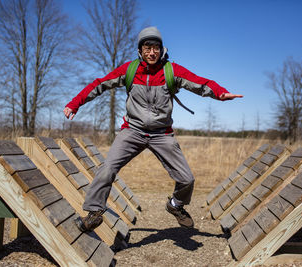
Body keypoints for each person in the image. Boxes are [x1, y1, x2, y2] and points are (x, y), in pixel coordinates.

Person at [63, 26, 243, 232]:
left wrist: (220, 93)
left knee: (187, 179)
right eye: (147, 47)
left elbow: (200, 83)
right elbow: (100, 84)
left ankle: (175, 205)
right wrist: (75, 103)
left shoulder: (171, 71)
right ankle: (94, 213)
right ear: (140, 50)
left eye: (155, 47)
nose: (151, 52)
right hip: (133, 130)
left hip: (162, 133)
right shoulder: (129, 70)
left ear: (161, 49)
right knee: (107, 169)